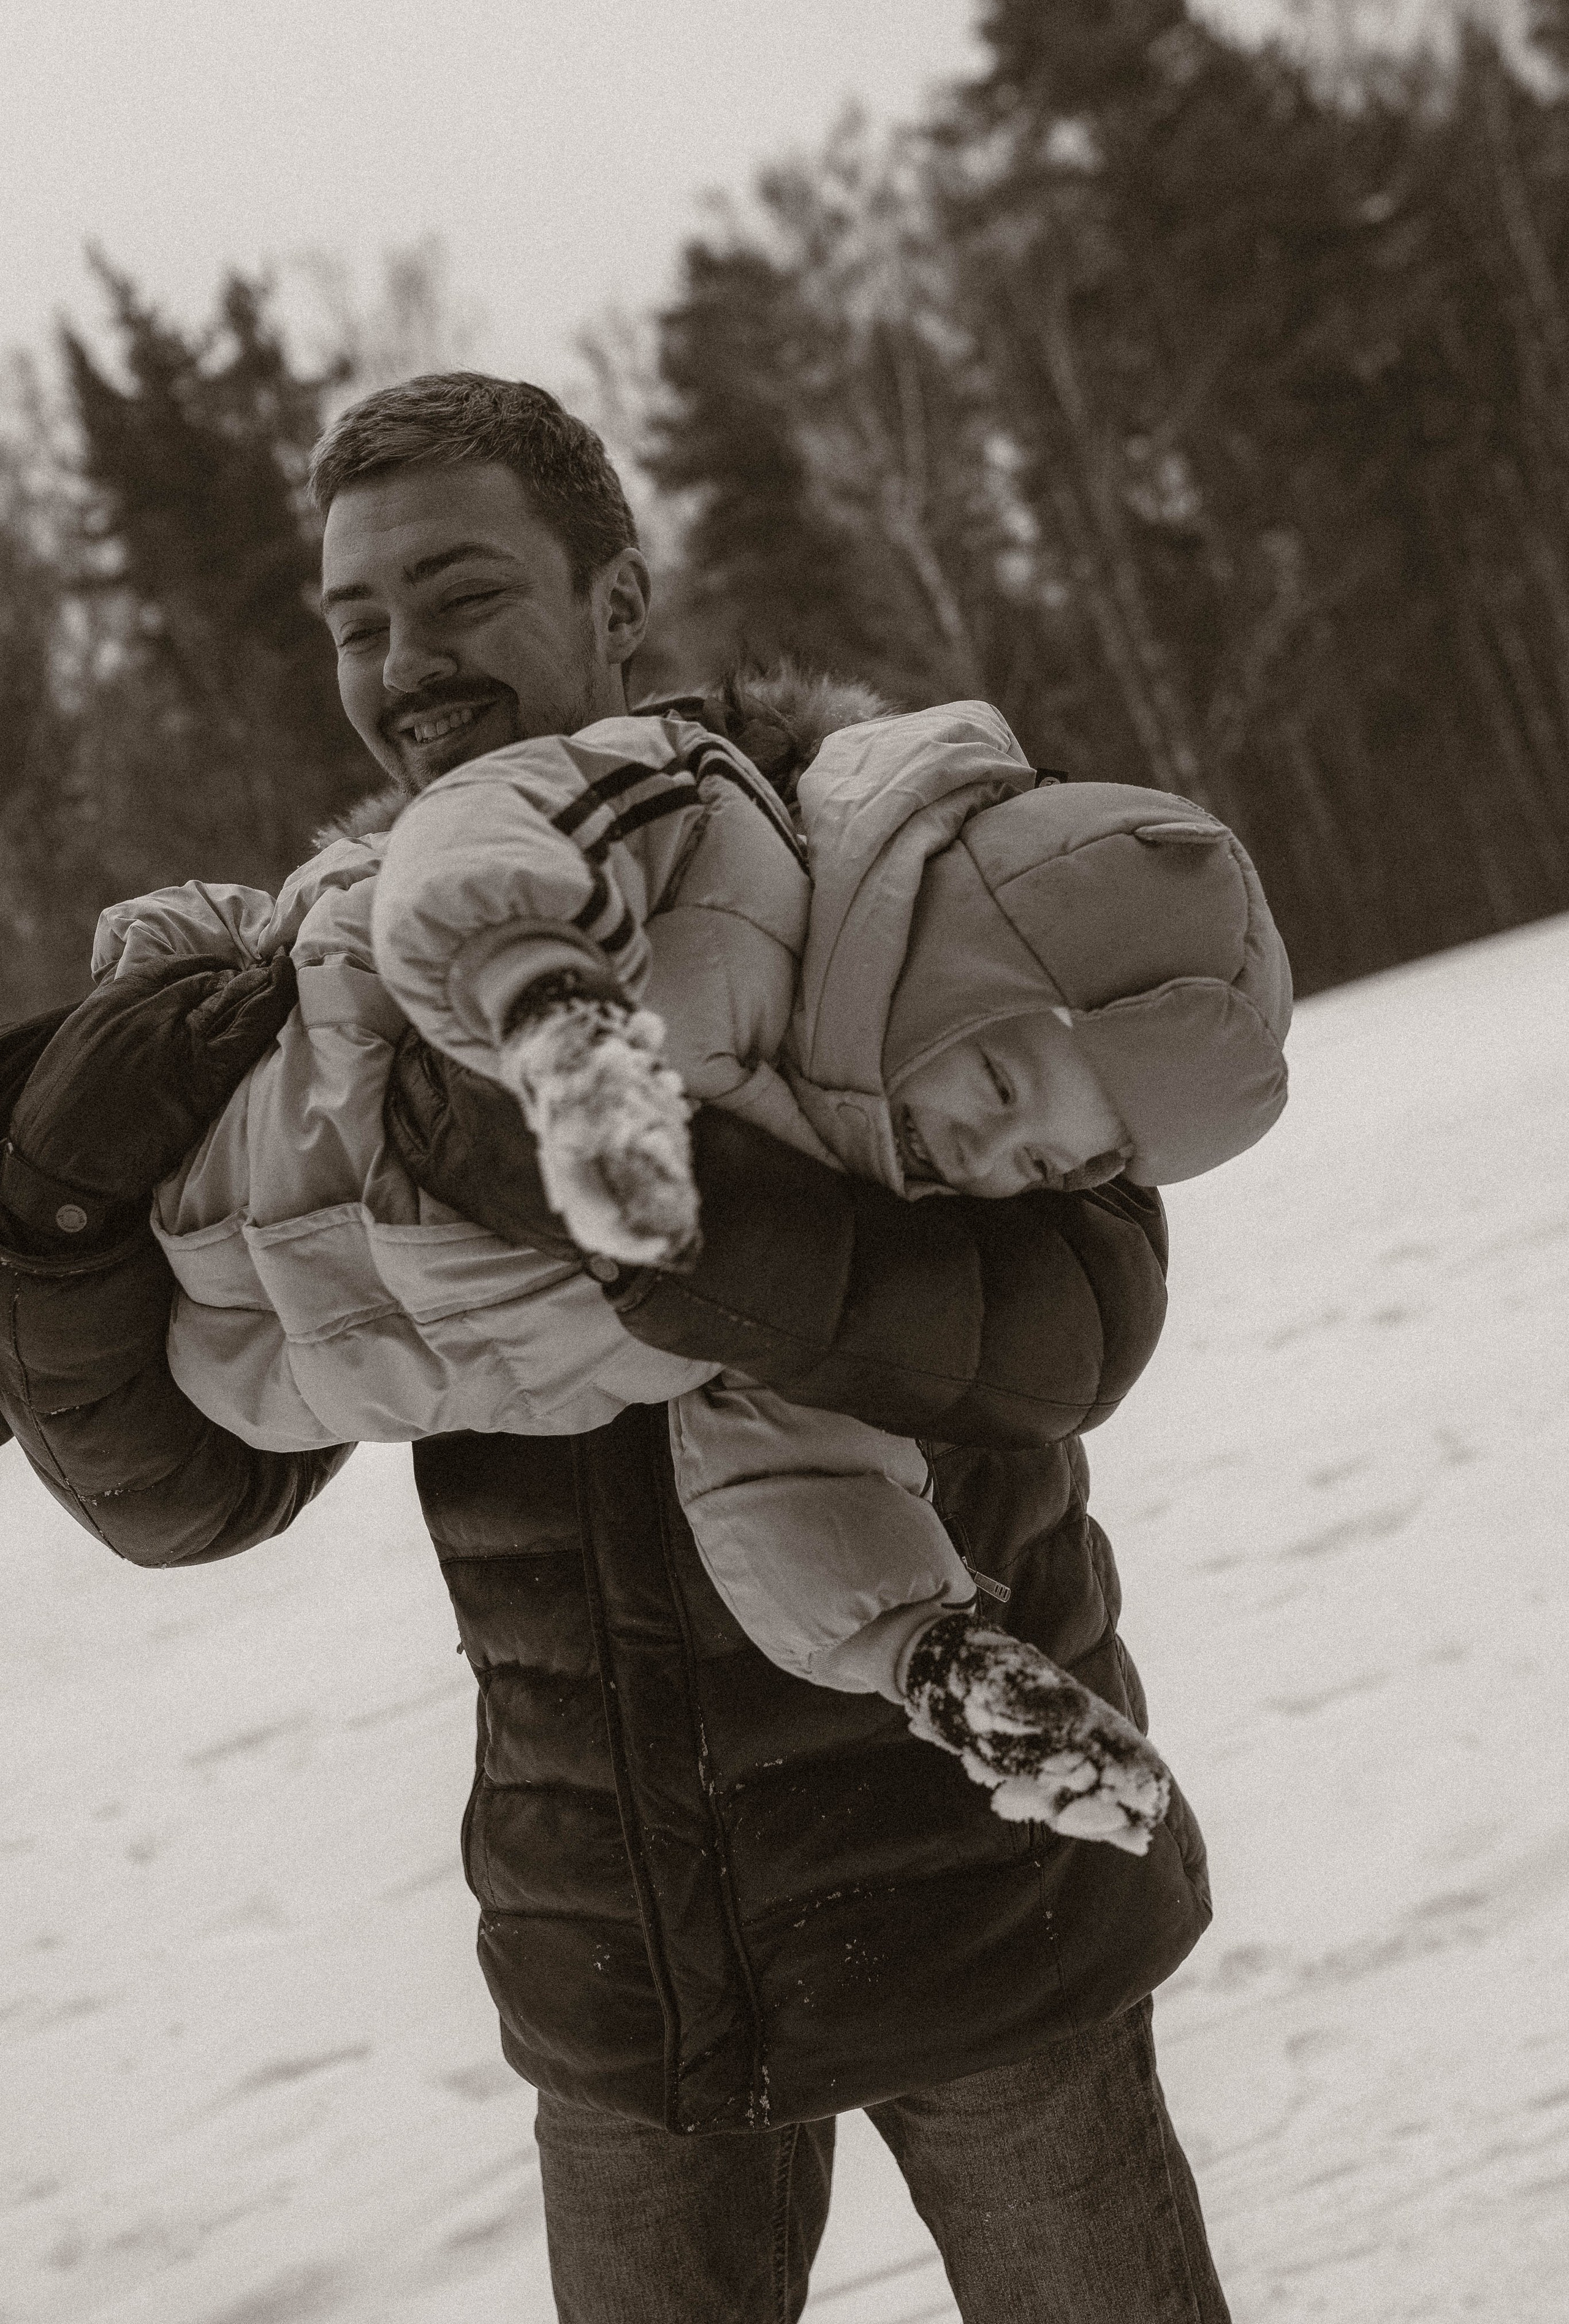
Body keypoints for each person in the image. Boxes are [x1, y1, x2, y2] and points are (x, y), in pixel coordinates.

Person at [0, 372, 1233, 2322]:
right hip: (628, 1963)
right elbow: (188, 1490)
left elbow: (1069, 1322)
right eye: (356, 623)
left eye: (463, 594)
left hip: (975, 1913)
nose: (407, 664)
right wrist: (56, 1220)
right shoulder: (353, 1011)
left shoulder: (887, 896)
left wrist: (607, 1188)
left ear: (620, 599)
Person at [93, 680, 1287, 1851]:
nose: (986, 1153)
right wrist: (561, 1021)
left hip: (205, 1348)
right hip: (202, 1114)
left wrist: (933, 1656)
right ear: (961, 937)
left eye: (1037, 1164)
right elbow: (490, 826)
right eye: (997, 1084)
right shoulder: (722, 829)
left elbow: (795, 1460)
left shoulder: (835, 1210)